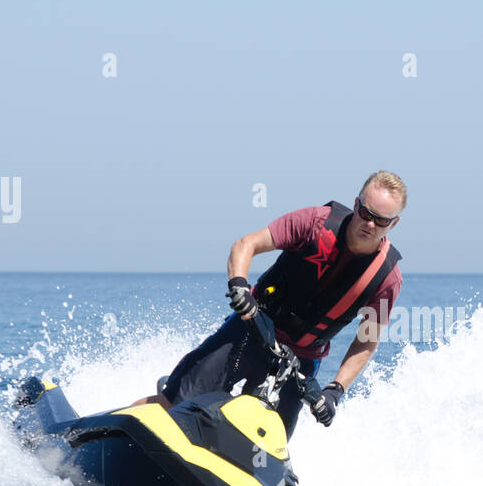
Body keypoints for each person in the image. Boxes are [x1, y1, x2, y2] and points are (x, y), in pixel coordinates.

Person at [132, 170, 405, 436]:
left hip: (298, 363)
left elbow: (367, 341)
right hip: (250, 330)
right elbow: (246, 244)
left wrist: (335, 391)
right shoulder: (316, 222)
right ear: (356, 205)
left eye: (380, 220)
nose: (369, 224)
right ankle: (109, 435)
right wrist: (239, 285)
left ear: (393, 224)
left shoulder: (387, 278)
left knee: (265, 448)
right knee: (175, 404)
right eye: (366, 213)